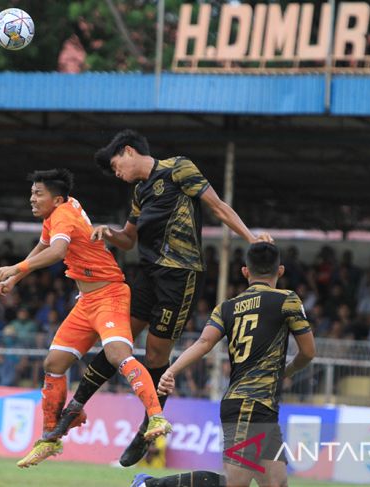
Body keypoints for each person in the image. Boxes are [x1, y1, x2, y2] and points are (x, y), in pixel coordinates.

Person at [51, 129, 272, 466]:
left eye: (115, 166)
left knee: (155, 353)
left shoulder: (179, 168)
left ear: (128, 151)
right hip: (147, 273)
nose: (117, 174)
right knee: (117, 342)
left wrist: (251, 238)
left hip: (180, 275)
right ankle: (75, 407)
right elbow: (128, 239)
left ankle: (146, 428)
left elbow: (217, 207)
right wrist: (107, 233)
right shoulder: (140, 192)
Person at [0, 168, 171, 468]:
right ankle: (49, 437)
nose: (32, 199)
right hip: (87, 300)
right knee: (54, 364)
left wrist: (16, 270)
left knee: (117, 354)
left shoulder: (62, 214)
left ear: (57, 198)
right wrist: (16, 275)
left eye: (38, 194)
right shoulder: (60, 212)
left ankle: (155, 417)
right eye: (32, 193)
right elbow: (46, 244)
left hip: (110, 294)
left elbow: (57, 249)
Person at [133, 242, 315, 487]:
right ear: (280, 271)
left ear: (245, 272)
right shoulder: (287, 300)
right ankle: (149, 485)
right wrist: (286, 371)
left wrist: (171, 370)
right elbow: (308, 352)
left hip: (254, 406)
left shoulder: (226, 307)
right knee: (234, 484)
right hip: (250, 404)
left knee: (276, 483)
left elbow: (204, 342)